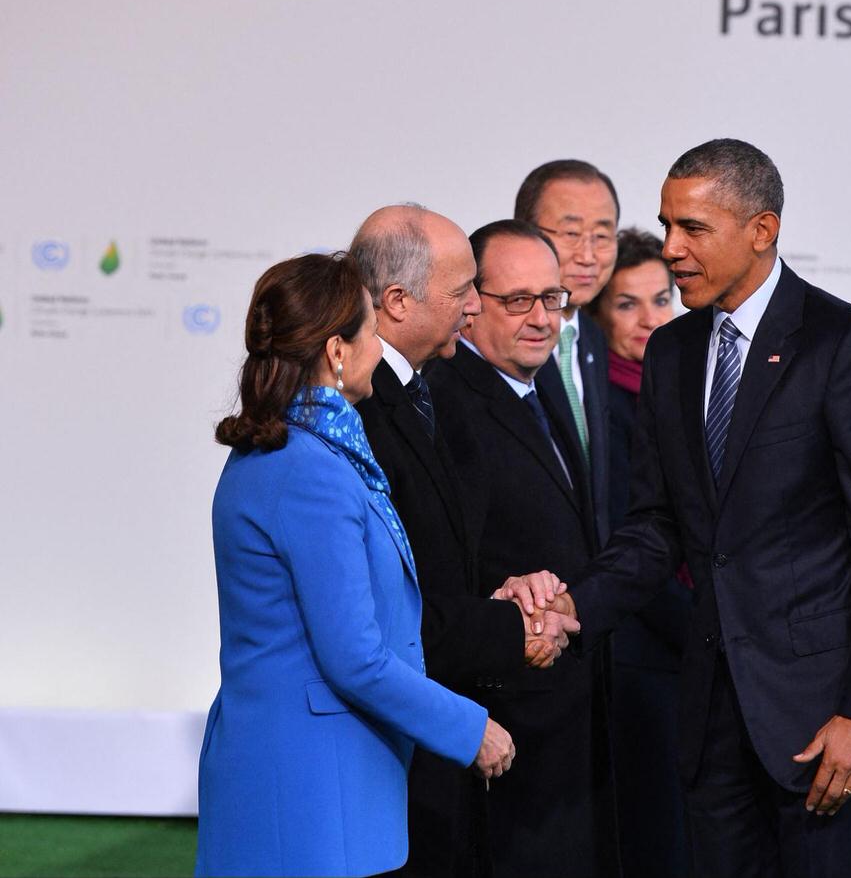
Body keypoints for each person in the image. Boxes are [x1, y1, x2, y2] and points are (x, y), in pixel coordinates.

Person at [561, 140, 851, 878]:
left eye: (693, 229)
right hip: (711, 725)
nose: (671, 249)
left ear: (762, 230)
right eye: (667, 225)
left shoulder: (848, 346)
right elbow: (656, 527)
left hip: (827, 727)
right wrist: (570, 609)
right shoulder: (670, 352)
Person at [196, 253, 515, 878]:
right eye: (371, 331)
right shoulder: (309, 469)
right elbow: (354, 657)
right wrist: (469, 728)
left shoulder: (295, 451)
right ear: (338, 351)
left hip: (308, 773)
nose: (379, 346)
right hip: (310, 783)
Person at [348, 206, 578, 878]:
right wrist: (512, 624)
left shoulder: (420, 392)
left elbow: (439, 567)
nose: (475, 306)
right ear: (396, 301)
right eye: (462, 292)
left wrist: (504, 593)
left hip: (438, 728)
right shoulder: (358, 410)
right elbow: (385, 610)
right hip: (397, 737)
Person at [426, 220, 620, 878]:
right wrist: (514, 603)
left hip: (569, 714)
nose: (542, 319)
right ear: (471, 304)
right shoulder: (443, 405)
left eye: (553, 298)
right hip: (502, 718)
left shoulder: (547, 391)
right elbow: (439, 565)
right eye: (518, 301)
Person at [587, 228, 691, 877]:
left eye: (663, 298)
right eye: (628, 304)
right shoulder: (598, 408)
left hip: (692, 654)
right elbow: (630, 540)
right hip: (642, 655)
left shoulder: (690, 390)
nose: (651, 318)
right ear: (599, 314)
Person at [514, 160, 620, 544]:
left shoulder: (592, 337)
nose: (588, 255)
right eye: (571, 233)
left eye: (603, 236)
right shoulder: (495, 339)